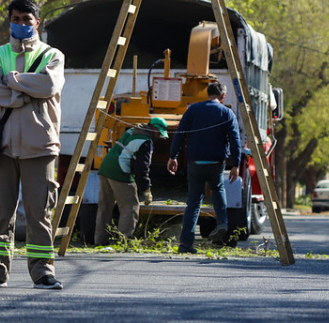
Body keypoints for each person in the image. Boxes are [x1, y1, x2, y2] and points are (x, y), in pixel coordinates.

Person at [0, 0, 65, 290]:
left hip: (41, 146)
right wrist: (23, 92)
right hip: (3, 147)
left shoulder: (53, 55)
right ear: (9, 21)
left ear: (38, 23)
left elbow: (49, 86)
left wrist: (11, 80)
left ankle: (43, 272)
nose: (21, 24)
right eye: (16, 19)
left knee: (40, 214)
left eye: (27, 19)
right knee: (0, 213)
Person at [167, 82, 241, 254]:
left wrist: (173, 156)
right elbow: (234, 141)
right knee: (218, 188)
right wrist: (236, 164)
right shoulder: (227, 113)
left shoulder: (193, 110)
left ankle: (185, 244)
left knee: (193, 202)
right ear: (222, 96)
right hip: (216, 163)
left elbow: (180, 133)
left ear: (207, 94)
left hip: (195, 163)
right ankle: (222, 223)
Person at [94, 117, 169, 246]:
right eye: (159, 133)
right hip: (119, 171)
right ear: (154, 128)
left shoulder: (132, 131)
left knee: (105, 207)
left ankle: (100, 241)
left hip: (105, 167)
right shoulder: (146, 142)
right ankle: (125, 240)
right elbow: (141, 168)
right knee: (130, 206)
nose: (159, 137)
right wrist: (146, 189)